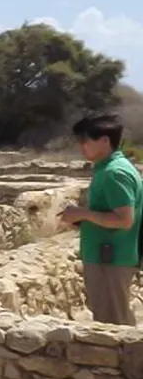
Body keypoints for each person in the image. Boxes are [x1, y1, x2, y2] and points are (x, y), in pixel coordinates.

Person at [59, 113, 143, 325]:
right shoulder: (108, 169)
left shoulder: (114, 173)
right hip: (109, 256)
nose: (81, 146)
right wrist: (83, 218)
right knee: (115, 318)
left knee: (112, 325)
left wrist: (82, 214)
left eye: (85, 141)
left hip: (110, 260)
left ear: (105, 140)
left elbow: (124, 220)